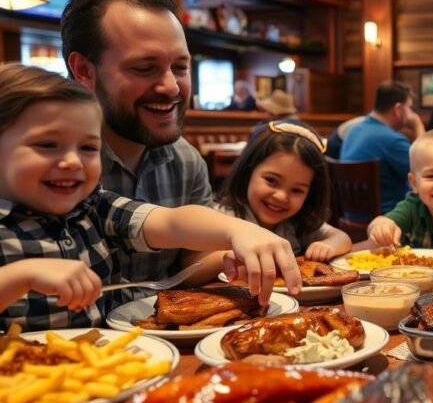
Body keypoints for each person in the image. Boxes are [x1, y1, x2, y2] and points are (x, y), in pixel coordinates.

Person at [0, 65, 300, 331]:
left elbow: (170, 222)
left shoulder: (91, 206)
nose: (73, 162)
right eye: (47, 144)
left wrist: (236, 230)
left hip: (105, 367)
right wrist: (20, 276)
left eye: (88, 148)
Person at [61, 0, 215, 301]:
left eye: (181, 67)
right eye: (146, 68)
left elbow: (193, 259)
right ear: (84, 71)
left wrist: (240, 248)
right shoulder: (43, 166)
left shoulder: (186, 160)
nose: (172, 87)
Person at [219, 121, 352, 260]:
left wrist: (327, 246)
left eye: (296, 190)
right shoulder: (224, 219)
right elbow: (198, 264)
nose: (281, 196)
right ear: (248, 172)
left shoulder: (297, 223)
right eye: (271, 180)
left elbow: (342, 238)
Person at [341, 80, 425, 216]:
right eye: (409, 107)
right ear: (398, 109)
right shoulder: (392, 140)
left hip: (350, 217)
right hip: (389, 220)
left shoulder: (353, 130)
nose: (411, 114)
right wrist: (418, 126)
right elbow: (428, 169)